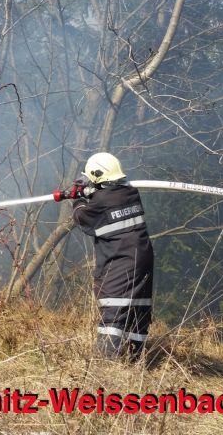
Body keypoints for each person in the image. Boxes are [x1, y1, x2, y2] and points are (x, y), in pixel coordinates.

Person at [68, 152, 154, 361]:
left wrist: (78, 197)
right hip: (143, 258)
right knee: (137, 310)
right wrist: (90, 192)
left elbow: (81, 216)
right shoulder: (131, 193)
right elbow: (109, 201)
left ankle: (106, 362)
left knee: (114, 310)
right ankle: (135, 360)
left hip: (121, 262)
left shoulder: (100, 202)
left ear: (96, 176)